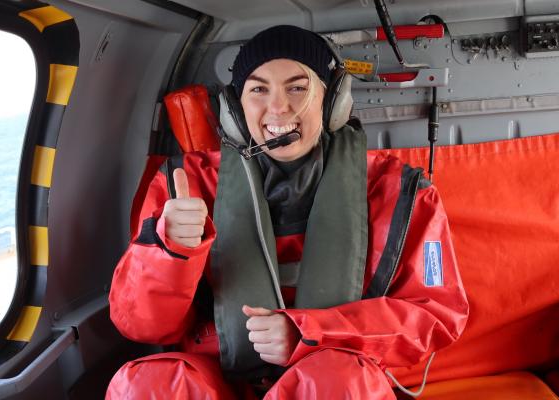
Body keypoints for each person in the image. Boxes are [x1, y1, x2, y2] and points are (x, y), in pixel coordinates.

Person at [106, 25, 468, 399]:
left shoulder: (402, 192)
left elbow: (436, 314)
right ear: (235, 107)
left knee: (340, 386)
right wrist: (171, 253)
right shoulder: (185, 184)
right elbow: (138, 324)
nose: (278, 107)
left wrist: (310, 332)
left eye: (297, 87)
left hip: (333, 373)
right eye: (259, 89)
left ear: (333, 101)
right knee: (146, 388)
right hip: (216, 375)